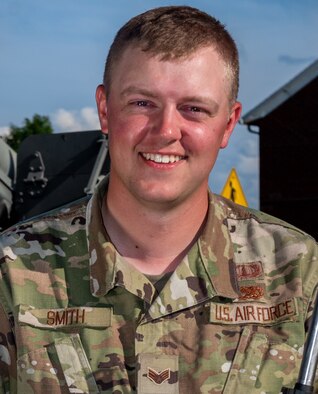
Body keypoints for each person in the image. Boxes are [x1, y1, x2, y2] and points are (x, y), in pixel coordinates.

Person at [0, 5, 317, 394]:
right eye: (141, 103)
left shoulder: (299, 273)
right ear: (105, 109)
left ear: (228, 124)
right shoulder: (13, 272)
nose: (166, 130)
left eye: (194, 109)